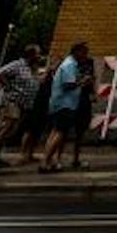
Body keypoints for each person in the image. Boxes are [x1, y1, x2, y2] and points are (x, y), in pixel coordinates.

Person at [0, 44, 44, 169]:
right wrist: (8, 86)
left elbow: (35, 81)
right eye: (38, 53)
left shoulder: (31, 67)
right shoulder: (18, 64)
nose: (40, 56)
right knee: (9, 126)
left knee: (12, 128)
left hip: (21, 103)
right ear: (31, 55)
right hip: (11, 100)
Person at [40, 42, 92, 173]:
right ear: (77, 52)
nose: (86, 56)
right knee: (59, 133)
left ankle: (47, 160)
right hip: (65, 104)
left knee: (54, 132)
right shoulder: (69, 65)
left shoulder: (69, 64)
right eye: (84, 52)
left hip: (60, 103)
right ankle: (45, 162)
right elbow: (68, 85)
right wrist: (83, 81)